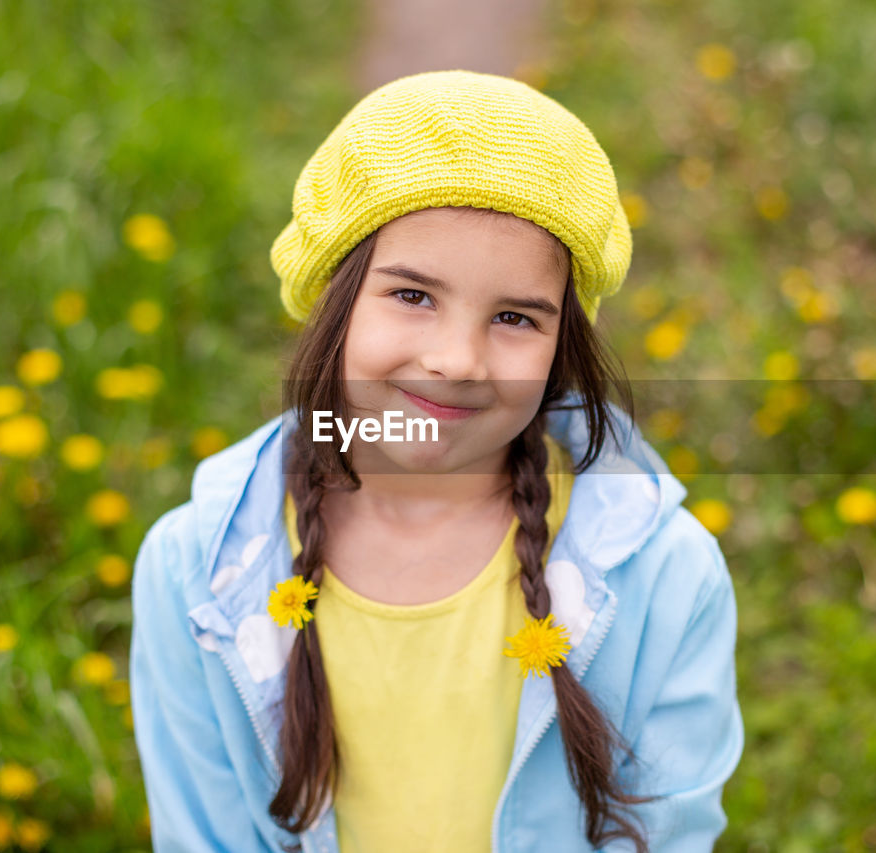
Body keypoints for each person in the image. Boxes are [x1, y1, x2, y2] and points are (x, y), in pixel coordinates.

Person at [130, 69, 743, 853]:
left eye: (515, 317)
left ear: (562, 349)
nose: (457, 359)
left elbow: (666, 832)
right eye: (413, 296)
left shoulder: (666, 575)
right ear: (333, 296)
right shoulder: (194, 571)